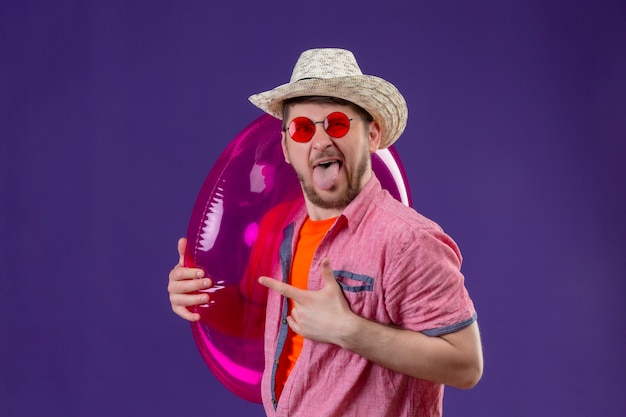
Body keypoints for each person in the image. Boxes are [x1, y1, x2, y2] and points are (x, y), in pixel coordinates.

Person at [168, 48, 483, 417]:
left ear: (373, 135)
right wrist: (197, 296)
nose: (320, 142)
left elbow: (466, 365)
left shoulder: (408, 241)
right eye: (303, 128)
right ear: (286, 147)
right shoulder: (282, 232)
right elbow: (255, 318)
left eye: (337, 123)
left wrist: (351, 331)